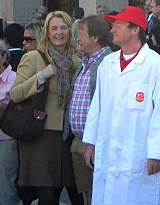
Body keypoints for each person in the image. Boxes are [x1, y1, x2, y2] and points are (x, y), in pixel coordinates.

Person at [83, 6, 160, 205]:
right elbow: (96, 106)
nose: (112, 30)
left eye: (118, 25)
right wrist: (90, 141)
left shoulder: (156, 66)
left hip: (139, 154)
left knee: (138, 197)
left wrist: (157, 153)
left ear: (135, 30)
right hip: (109, 147)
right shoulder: (108, 64)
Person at [11, 11, 81, 205]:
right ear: (47, 33)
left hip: (67, 136)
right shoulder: (33, 58)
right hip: (40, 135)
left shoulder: (76, 62)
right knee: (47, 197)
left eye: (64, 27)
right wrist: (40, 77)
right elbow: (15, 94)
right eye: (54, 28)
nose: (59, 32)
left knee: (63, 194)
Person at [65, 15, 112, 205]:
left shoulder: (109, 63)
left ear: (95, 37)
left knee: (103, 194)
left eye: (81, 34)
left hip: (97, 142)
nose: (77, 39)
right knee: (89, 194)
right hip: (78, 141)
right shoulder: (83, 63)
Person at [0, 39, 21, 205]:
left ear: (4, 57)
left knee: (6, 188)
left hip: (3, 138)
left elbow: (19, 110)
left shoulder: (14, 79)